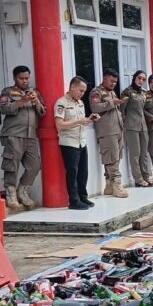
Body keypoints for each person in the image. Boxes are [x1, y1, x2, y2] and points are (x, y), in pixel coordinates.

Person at [0, 66, 45, 211]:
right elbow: (4, 109)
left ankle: (22, 191)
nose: (25, 81)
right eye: (21, 78)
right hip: (14, 133)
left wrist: (36, 101)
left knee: (35, 165)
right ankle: (11, 194)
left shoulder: (35, 92)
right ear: (15, 78)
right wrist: (22, 101)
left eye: (27, 78)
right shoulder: (8, 92)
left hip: (31, 135)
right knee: (11, 164)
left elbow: (43, 112)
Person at [54, 76, 98, 210]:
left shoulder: (80, 103)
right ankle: (74, 201)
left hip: (81, 141)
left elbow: (81, 121)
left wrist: (89, 119)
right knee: (72, 172)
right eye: (81, 90)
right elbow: (59, 125)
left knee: (83, 172)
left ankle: (83, 197)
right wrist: (79, 121)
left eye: (84, 91)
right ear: (72, 87)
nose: (82, 93)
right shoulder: (61, 103)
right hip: (69, 142)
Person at [91, 69, 128, 198]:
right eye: (111, 81)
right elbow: (95, 107)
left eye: (115, 82)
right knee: (111, 158)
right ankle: (117, 186)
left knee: (115, 158)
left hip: (117, 129)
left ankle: (109, 185)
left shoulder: (112, 92)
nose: (113, 84)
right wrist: (112, 103)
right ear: (104, 78)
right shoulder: (96, 92)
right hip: (107, 131)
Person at [121, 70, 153, 187]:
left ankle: (146, 176)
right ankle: (138, 179)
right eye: (139, 78)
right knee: (135, 153)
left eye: (143, 79)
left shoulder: (144, 93)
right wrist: (124, 124)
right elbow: (122, 110)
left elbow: (144, 110)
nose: (141, 81)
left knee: (144, 153)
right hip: (131, 126)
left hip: (142, 125)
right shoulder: (127, 92)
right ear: (134, 78)